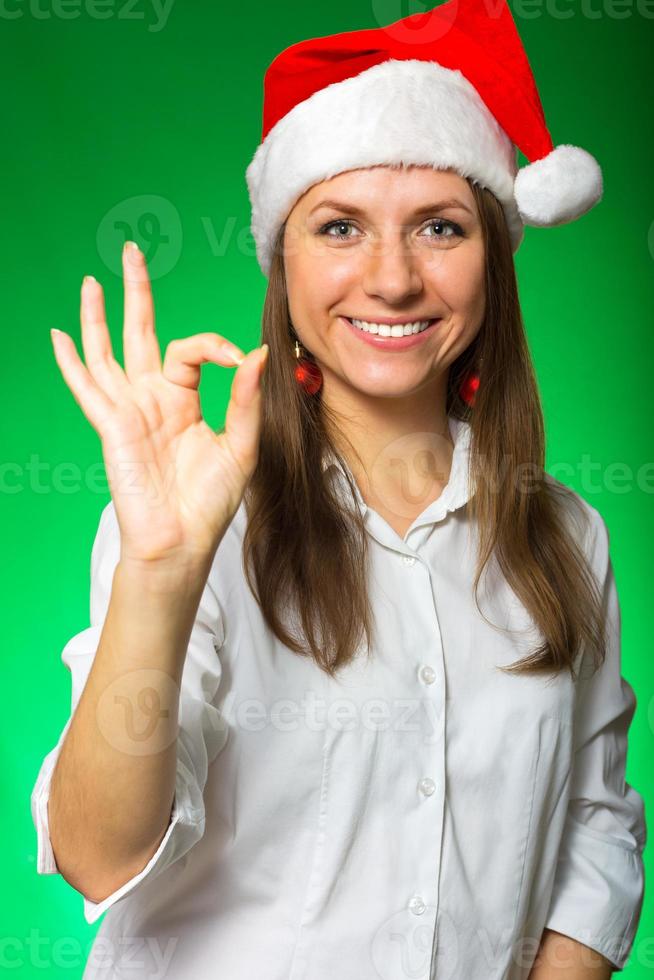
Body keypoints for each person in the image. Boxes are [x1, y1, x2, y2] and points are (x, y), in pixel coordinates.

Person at [30, 0, 646, 977]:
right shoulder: (194, 523)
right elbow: (99, 854)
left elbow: (593, 829)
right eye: (340, 227)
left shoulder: (570, 536)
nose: (392, 279)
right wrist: (161, 567)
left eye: (440, 227)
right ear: (286, 262)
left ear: (495, 256)